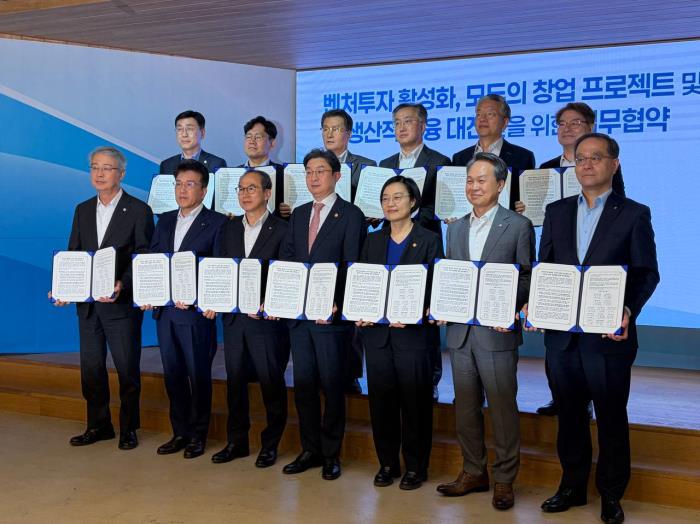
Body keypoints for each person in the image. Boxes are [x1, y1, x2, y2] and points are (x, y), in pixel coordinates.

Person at [526, 133, 659, 524]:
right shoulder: (557, 211)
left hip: (608, 335)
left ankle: (611, 494)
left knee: (610, 417)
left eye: (595, 157)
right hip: (563, 337)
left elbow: (646, 273)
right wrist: (536, 301)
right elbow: (546, 268)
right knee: (569, 416)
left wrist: (628, 309)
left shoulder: (634, 213)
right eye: (581, 158)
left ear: (614, 164)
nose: (586, 164)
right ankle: (571, 487)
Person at [435, 153, 535, 510]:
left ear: (501, 184)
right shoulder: (455, 228)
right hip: (461, 332)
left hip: (496, 331)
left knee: (502, 408)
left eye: (482, 180)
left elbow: (527, 275)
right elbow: (451, 276)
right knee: (465, 408)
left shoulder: (518, 225)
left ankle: (505, 479)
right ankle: (473, 471)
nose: (474, 187)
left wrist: (504, 301)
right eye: (469, 180)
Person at [51, 146, 154, 450]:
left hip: (120, 305)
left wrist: (123, 283)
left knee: (127, 368)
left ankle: (128, 428)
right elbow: (74, 253)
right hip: (88, 306)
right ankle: (98, 425)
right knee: (91, 368)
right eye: (94, 167)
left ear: (121, 174)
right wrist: (63, 288)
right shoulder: (82, 209)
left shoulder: (138, 210)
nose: (99, 173)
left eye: (107, 168)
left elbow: (144, 255)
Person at [278, 148, 366, 480]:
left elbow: (352, 264)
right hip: (301, 317)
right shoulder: (300, 213)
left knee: (331, 386)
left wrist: (337, 302)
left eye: (320, 171)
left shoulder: (351, 214)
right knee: (304, 386)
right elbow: (289, 259)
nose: (314, 177)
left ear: (337, 176)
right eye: (309, 172)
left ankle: (331, 453)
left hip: (331, 317)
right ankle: (310, 449)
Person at [535, 103, 625, 417]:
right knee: (567, 407)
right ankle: (559, 398)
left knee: (609, 410)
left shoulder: (619, 193)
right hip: (561, 283)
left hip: (601, 292)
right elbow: (545, 249)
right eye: (562, 123)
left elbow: (617, 214)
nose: (567, 128)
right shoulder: (546, 171)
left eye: (575, 123)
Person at [357, 175, 442, 490]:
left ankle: (416, 467)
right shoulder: (373, 240)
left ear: (413, 201)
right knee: (381, 402)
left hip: (413, 337)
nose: (390, 204)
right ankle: (388, 463)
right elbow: (363, 282)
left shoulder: (429, 239)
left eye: (397, 197)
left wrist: (417, 311)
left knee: (415, 403)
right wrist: (360, 310)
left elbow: (435, 286)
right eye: (385, 198)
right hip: (378, 336)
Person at [144, 159, 227, 459]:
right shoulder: (165, 220)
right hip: (166, 312)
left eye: (190, 184)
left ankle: (198, 435)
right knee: (173, 374)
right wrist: (148, 292)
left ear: (203, 191)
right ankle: (179, 432)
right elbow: (154, 260)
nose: (182, 190)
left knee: (198, 375)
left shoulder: (217, 222)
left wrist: (203, 300)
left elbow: (219, 268)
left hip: (195, 315)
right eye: (178, 184)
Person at [207, 170, 290, 468]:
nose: (245, 194)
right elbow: (219, 268)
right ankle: (237, 441)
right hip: (234, 320)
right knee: (235, 383)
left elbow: (286, 273)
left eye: (251, 188)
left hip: (266, 322)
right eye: (241, 189)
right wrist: (213, 299)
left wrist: (271, 302)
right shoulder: (228, 228)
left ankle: (270, 443)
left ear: (267, 193)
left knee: (271, 383)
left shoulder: (283, 229)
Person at [380, 102, 450, 402]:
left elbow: (442, 207)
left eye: (408, 121)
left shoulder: (440, 161)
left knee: (423, 312)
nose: (401, 127)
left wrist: (410, 214)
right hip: (390, 240)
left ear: (423, 125)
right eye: (397, 122)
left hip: (423, 243)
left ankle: (430, 378)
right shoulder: (384, 164)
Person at [321, 108, 377, 394]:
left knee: (351, 304)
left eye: (336, 128)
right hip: (320, 244)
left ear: (349, 133)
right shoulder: (313, 165)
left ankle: (352, 373)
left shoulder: (366, 166)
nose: (330, 134)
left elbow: (374, 204)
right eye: (326, 129)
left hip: (354, 241)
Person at [452, 94, 535, 210]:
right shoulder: (459, 158)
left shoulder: (523, 157)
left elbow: (528, 199)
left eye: (490, 114)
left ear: (505, 122)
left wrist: (525, 209)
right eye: (478, 114)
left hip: (507, 221)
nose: (482, 119)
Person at [239, 115, 288, 219]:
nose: (252, 141)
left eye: (258, 137)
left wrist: (290, 212)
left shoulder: (283, 174)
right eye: (248, 137)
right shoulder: (232, 173)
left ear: (272, 143)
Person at [160, 110, 227, 174]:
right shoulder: (166, 165)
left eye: (189, 129)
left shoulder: (217, 164)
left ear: (202, 133)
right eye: (179, 129)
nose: (184, 134)